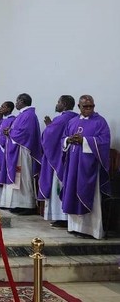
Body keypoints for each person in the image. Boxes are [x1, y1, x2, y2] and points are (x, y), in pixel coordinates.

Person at [61, 95, 110, 239]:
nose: (89, 109)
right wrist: (68, 140)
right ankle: (74, 226)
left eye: (91, 106)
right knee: (71, 192)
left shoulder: (100, 122)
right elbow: (63, 139)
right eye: (85, 107)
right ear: (79, 107)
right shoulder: (72, 122)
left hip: (89, 166)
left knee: (88, 194)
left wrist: (85, 141)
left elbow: (104, 141)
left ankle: (90, 230)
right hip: (73, 164)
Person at [38, 95, 77, 229]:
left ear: (65, 104)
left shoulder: (62, 119)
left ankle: (60, 217)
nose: (57, 104)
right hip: (69, 159)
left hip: (58, 160)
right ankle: (65, 218)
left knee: (57, 188)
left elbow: (49, 137)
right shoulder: (75, 117)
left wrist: (49, 126)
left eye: (59, 102)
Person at [0, 93, 42, 215]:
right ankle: (18, 203)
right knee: (17, 178)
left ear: (22, 101)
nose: (16, 103)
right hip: (17, 149)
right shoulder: (23, 114)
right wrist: (10, 132)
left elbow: (25, 133)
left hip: (23, 150)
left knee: (23, 177)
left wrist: (11, 132)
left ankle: (28, 205)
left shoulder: (29, 115)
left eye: (17, 101)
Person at [0, 101, 16, 189]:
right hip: (0, 147)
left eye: (3, 107)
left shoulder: (12, 119)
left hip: (6, 148)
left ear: (8, 108)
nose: (1, 109)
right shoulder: (5, 120)